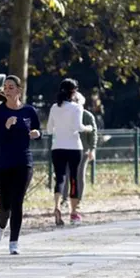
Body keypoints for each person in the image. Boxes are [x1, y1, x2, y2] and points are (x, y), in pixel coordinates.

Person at [0, 76, 41, 254]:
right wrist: (6, 126)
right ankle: (2, 225)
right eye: (6, 88)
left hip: (24, 162)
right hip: (3, 163)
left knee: (17, 202)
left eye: (11, 87)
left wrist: (36, 134)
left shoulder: (29, 111)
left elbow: (38, 132)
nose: (8, 90)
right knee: (5, 204)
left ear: (19, 90)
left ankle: (14, 242)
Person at [47, 79, 92, 226]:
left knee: (59, 178)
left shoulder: (54, 107)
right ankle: (73, 213)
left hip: (57, 147)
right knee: (73, 178)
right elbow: (78, 127)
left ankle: (57, 206)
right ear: (73, 92)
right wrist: (88, 128)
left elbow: (48, 129)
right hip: (73, 146)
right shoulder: (76, 108)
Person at [63, 92, 98, 209]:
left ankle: (78, 199)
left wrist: (92, 150)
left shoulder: (88, 116)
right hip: (69, 149)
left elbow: (93, 134)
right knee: (67, 175)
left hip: (83, 151)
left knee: (79, 174)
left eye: (77, 101)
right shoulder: (67, 116)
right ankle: (64, 199)